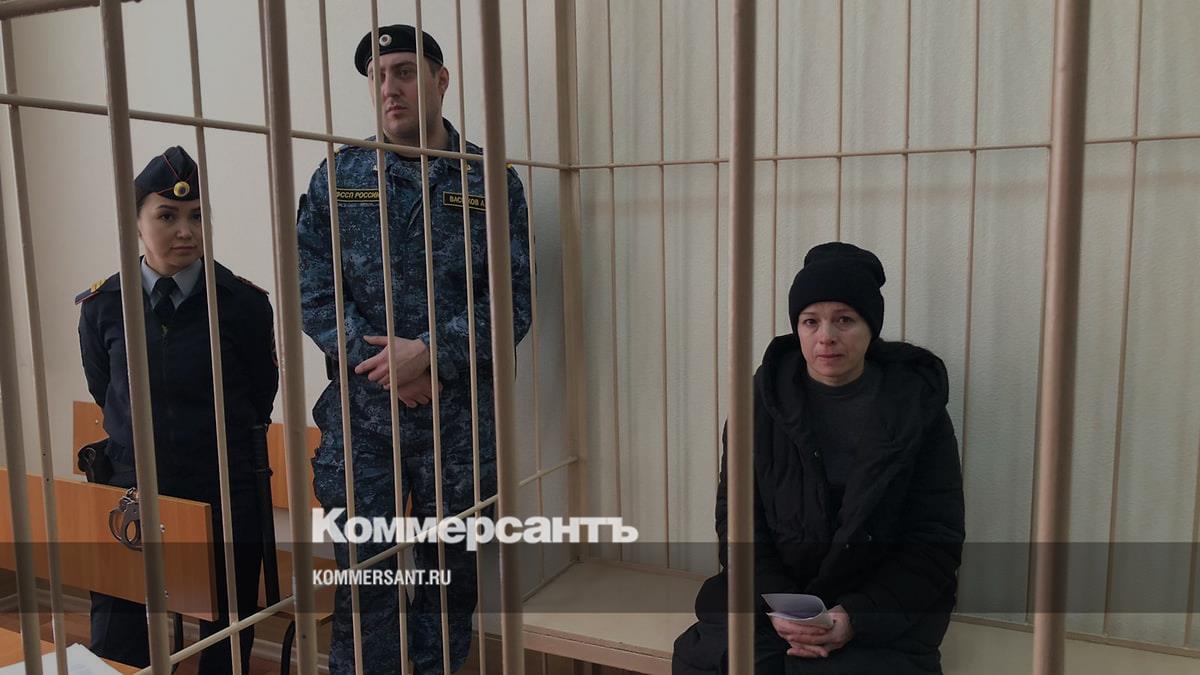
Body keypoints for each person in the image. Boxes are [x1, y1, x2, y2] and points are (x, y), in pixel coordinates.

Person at [295, 24, 532, 675]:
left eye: (403, 70)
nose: (389, 88)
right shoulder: (339, 177)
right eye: (378, 76)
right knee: (365, 577)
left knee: (448, 581)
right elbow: (313, 291)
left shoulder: (488, 180)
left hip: (458, 424)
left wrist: (428, 352)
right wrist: (390, 370)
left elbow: (513, 300)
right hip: (363, 420)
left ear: (440, 79)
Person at [672, 242, 965, 674]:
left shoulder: (918, 410)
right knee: (722, 660)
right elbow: (737, 523)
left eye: (844, 319)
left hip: (883, 608)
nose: (826, 336)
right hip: (771, 599)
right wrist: (782, 607)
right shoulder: (760, 403)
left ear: (871, 328)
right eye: (811, 321)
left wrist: (854, 618)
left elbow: (935, 540)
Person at [77, 146, 278, 673]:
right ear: (136, 223)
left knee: (225, 630)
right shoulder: (103, 305)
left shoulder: (242, 303)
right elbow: (106, 391)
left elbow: (261, 394)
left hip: (222, 483)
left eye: (196, 216)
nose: (185, 231)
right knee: (117, 627)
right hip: (134, 483)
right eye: (166, 216)